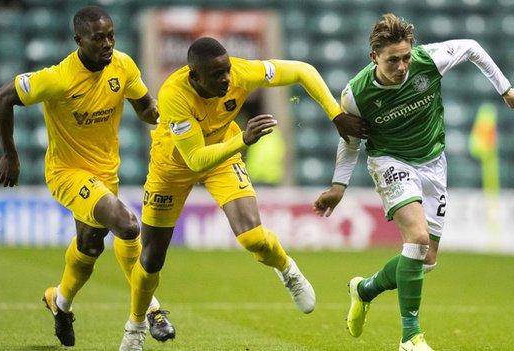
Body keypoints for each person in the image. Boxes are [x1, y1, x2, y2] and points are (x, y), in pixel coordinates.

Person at [119, 36, 366, 350]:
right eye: (217, 75)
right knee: (151, 259)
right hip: (172, 169)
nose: (226, 79)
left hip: (222, 158)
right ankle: (136, 327)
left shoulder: (241, 72)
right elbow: (194, 159)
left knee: (252, 237)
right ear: (194, 77)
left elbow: (303, 71)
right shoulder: (173, 94)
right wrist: (244, 140)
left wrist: (335, 114)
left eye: (227, 71)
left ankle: (287, 269)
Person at [313, 13, 514, 351]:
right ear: (375, 58)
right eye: (392, 60)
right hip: (389, 161)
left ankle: (364, 289)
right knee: (415, 238)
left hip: (433, 163)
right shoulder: (355, 94)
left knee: (426, 259)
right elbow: (351, 139)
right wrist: (339, 185)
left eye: (405, 57)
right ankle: (410, 337)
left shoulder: (428, 60)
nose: (402, 66)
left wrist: (505, 89)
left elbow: (472, 47)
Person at [0, 6, 175, 347]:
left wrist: (171, 122)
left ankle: (59, 303)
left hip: (106, 172)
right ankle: (152, 310)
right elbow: (2, 97)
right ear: (79, 40)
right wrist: (10, 154)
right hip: (67, 173)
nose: (107, 44)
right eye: (98, 38)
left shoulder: (123, 65)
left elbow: (146, 106)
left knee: (90, 247)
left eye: (111, 36)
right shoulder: (58, 77)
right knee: (128, 225)